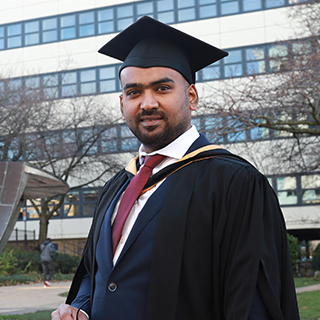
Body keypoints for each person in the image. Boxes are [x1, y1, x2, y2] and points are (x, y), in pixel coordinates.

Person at [52, 16, 299, 319]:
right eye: (134, 92)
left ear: (191, 97)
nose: (147, 103)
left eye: (162, 88)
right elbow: (98, 272)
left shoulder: (235, 183)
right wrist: (81, 309)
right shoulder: (117, 187)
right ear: (122, 103)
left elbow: (252, 302)